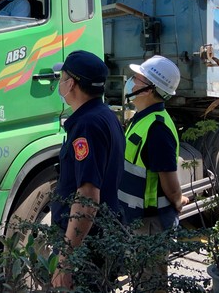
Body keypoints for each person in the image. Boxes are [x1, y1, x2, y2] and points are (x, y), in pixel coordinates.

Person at [50, 50, 125, 290]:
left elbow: (88, 197)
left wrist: (66, 261)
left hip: (88, 247)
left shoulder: (86, 125)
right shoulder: (105, 116)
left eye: (62, 78)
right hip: (102, 239)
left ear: (71, 84)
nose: (60, 83)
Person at [117, 55, 189, 292]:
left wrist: (178, 200)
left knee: (151, 284)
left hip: (151, 222)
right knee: (142, 279)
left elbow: (168, 178)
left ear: (149, 89)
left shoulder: (157, 128)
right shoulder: (143, 119)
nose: (131, 83)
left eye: (136, 79)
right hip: (138, 219)